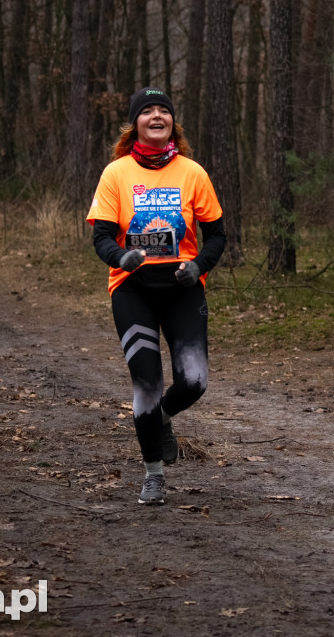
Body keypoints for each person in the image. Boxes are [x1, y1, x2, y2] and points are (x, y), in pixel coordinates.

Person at [87, 87, 226, 505]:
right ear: (135, 125)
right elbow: (100, 236)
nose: (155, 116)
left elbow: (217, 236)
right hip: (133, 290)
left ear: (172, 124)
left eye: (162, 110)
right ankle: (153, 474)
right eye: (146, 111)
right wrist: (123, 257)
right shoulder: (116, 174)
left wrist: (198, 267)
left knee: (195, 382)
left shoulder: (192, 173)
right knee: (146, 383)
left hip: (182, 289)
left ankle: (161, 419)